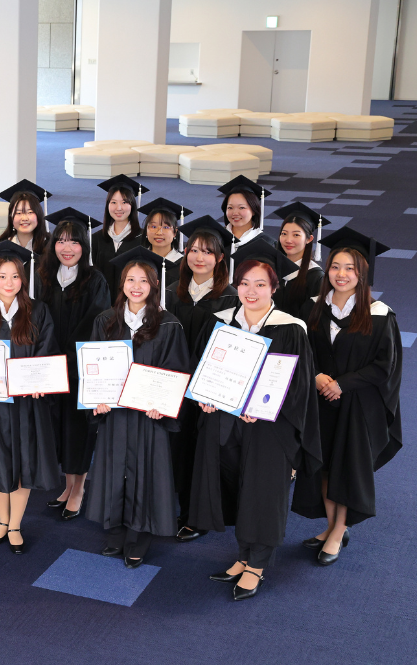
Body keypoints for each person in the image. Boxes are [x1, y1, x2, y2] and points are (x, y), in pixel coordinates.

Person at [189, 238, 321, 601]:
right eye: (245, 283)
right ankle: (244, 555)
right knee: (238, 489)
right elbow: (203, 370)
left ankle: (258, 564)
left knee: (262, 491)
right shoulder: (221, 323)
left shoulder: (290, 329)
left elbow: (298, 388)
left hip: (268, 429)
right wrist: (206, 397)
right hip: (226, 423)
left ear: (274, 288)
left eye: (260, 284)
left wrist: (263, 408)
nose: (251, 291)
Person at [292, 227, 400, 566]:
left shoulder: (380, 315)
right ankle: (330, 525)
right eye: (336, 266)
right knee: (323, 467)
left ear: (362, 273)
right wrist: (316, 375)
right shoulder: (313, 307)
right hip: (320, 402)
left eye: (350, 268)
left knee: (346, 469)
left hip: (357, 406)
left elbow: (384, 366)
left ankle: (339, 532)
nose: (341, 274)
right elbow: (300, 352)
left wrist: (343, 383)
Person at [84, 247, 190, 567]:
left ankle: (138, 537)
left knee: (145, 473)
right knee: (114, 472)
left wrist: (163, 404)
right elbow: (92, 369)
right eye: (130, 279)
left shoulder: (168, 325)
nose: (136, 286)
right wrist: (95, 399)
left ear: (155, 284)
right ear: (122, 283)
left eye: (143, 280)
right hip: (115, 415)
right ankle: (116, 532)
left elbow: (176, 370)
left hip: (148, 417)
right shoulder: (105, 321)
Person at [0, 242, 59, 555]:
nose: (9, 282)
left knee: (23, 463)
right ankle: (2, 520)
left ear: (23, 279)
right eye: (2, 276)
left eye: (15, 276)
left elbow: (46, 352)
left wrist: (41, 381)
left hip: (26, 403)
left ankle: (15, 524)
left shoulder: (37, 311)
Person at [164, 216, 239, 543]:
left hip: (207, 391)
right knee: (175, 447)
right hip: (174, 385)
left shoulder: (231, 298)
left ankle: (198, 516)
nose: (199, 257)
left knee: (202, 452)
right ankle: (173, 507)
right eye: (193, 249)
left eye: (208, 252)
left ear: (220, 258)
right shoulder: (170, 293)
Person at [36, 212, 111, 519]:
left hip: (79, 369)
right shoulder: (44, 277)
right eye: (61, 241)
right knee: (61, 429)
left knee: (79, 429)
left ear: (84, 246)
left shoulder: (95, 280)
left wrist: (67, 355)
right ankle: (67, 486)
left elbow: (96, 322)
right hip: (52, 368)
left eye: (74, 242)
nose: (67, 248)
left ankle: (79, 489)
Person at [0, 179, 52, 296]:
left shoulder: (50, 247)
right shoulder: (0, 248)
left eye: (30, 212)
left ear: (39, 215)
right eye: (18, 213)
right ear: (11, 216)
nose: (24, 218)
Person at [91, 175, 148, 299]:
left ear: (132, 205)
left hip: (131, 302)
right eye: (113, 202)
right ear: (107, 205)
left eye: (124, 202)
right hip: (101, 302)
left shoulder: (143, 238)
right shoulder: (96, 239)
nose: (119, 208)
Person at [272, 202, 325, 319]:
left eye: (296, 235)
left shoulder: (316, 277)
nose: (288, 240)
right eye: (284, 234)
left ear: (309, 239)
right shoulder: (271, 267)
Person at [138, 198, 189, 288]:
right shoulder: (138, 261)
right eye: (153, 226)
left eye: (166, 227)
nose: (159, 232)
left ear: (175, 232)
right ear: (146, 230)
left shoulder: (184, 265)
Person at [217, 176, 275, 250]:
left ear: (253, 210)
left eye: (242, 207)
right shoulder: (216, 237)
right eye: (230, 208)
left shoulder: (266, 243)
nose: (235, 213)